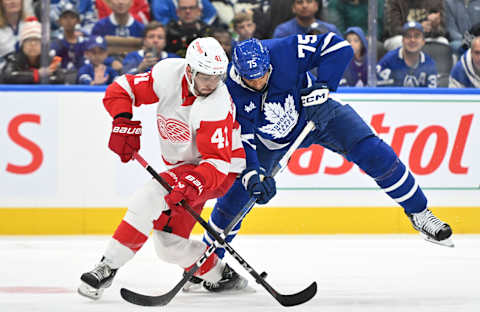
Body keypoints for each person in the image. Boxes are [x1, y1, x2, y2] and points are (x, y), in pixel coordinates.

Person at [195, 34, 454, 280]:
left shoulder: (284, 50)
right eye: (252, 79)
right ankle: (207, 264)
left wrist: (322, 88)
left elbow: (339, 47)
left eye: (263, 74)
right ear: (238, 72)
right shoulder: (228, 93)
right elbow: (244, 140)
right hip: (268, 142)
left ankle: (420, 213)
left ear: (269, 62)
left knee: (375, 153)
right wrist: (253, 176)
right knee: (237, 198)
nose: (259, 82)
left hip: (320, 116)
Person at [77, 37, 248, 300]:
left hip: (217, 170)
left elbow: (216, 162)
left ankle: (106, 267)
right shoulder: (169, 73)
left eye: (217, 77)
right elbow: (122, 89)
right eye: (205, 76)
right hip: (188, 165)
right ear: (189, 70)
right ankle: (221, 275)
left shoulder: (216, 103)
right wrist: (122, 120)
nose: (211, 84)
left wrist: (191, 183)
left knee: (150, 196)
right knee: (169, 246)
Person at [1, 16, 66, 84]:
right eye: (29, 40)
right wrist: (36, 75)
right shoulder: (14, 59)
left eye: (37, 40)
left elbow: (60, 78)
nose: (33, 44)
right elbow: (8, 76)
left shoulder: (49, 60)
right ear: (22, 45)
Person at [376, 22, 438, 87]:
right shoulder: (388, 61)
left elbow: (432, 94)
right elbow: (378, 91)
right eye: (408, 36)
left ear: (423, 42)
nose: (412, 40)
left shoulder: (429, 64)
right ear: (402, 40)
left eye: (417, 36)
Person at [383, 0, 448, 51]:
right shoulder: (394, 1)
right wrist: (418, 28)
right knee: (398, 41)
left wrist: (435, 27)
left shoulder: (435, 1)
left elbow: (442, 31)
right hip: (402, 37)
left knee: (442, 41)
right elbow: (394, 30)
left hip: (426, 36)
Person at [272, 0, 341, 38]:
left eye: (309, 1)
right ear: (293, 8)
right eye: (299, 2)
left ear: (316, 6)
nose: (304, 5)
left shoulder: (331, 30)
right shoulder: (283, 31)